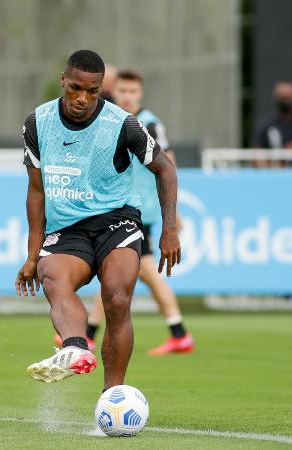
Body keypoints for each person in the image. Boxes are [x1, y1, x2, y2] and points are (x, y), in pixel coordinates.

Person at [16, 50, 180, 390]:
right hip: (66, 228)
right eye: (75, 88)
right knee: (52, 277)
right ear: (63, 80)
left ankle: (112, 394)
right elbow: (36, 192)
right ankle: (75, 348)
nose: (82, 98)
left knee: (117, 299)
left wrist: (169, 229)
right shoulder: (37, 122)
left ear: (101, 88)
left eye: (92, 91)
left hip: (116, 222)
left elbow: (165, 168)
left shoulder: (123, 124)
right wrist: (33, 255)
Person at [53, 69, 194, 355]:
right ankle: (172, 331)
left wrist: (172, 216)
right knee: (113, 273)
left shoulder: (150, 124)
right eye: (122, 91)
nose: (127, 97)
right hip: (117, 210)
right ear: (113, 91)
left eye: (133, 92)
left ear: (140, 93)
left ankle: (177, 331)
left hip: (139, 211)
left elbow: (168, 165)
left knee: (138, 272)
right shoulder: (109, 119)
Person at [253, 82, 292, 166]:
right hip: (279, 174)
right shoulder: (266, 126)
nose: (286, 102)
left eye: (289, 97)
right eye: (282, 98)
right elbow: (256, 153)